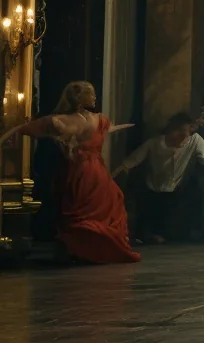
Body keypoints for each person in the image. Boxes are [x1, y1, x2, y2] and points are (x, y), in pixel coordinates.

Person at [0, 82, 138, 264]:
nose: (95, 97)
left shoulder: (69, 120)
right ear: (81, 98)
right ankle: (90, 251)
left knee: (87, 209)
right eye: (92, 94)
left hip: (80, 171)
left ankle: (82, 250)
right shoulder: (94, 120)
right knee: (99, 208)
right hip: (92, 171)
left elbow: (25, 128)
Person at [115, 109, 204, 243]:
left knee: (174, 225)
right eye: (179, 131)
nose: (184, 135)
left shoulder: (194, 141)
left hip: (175, 191)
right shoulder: (155, 143)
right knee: (149, 221)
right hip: (153, 189)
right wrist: (113, 174)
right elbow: (131, 161)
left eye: (187, 131)